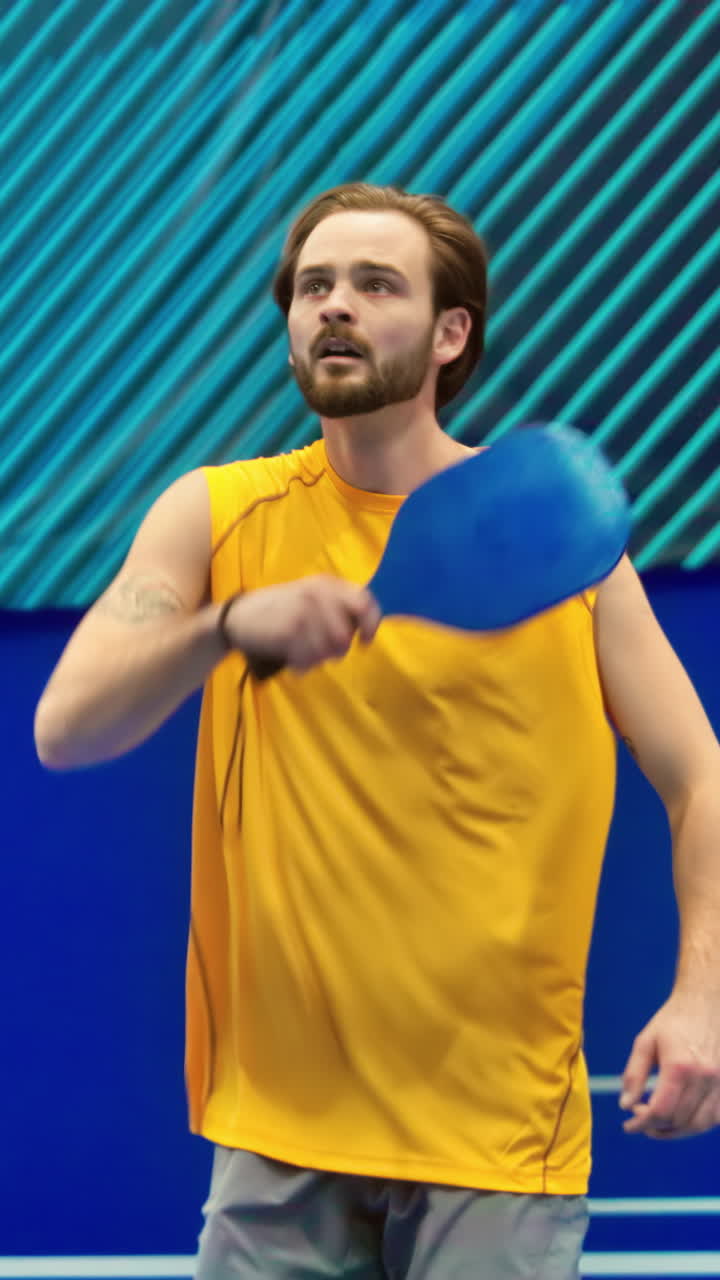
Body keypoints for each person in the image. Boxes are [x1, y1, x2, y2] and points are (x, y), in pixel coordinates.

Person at [34, 183, 720, 1279]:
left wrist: (705, 994)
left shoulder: (560, 546)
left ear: (452, 334)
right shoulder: (218, 516)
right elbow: (67, 724)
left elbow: (699, 780)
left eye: (374, 284)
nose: (334, 307)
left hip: (496, 1135)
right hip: (278, 1130)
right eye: (314, 286)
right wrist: (226, 625)